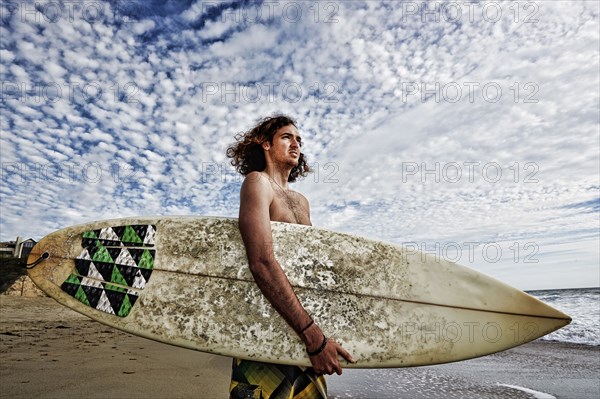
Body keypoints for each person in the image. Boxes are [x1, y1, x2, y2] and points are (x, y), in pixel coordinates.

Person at [226, 115, 354, 398]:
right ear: (265, 144)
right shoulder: (257, 183)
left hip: (301, 335)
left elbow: (309, 270)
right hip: (266, 331)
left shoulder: (301, 201)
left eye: (299, 139)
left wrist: (321, 334)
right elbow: (260, 262)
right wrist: (315, 339)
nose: (296, 143)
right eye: (286, 137)